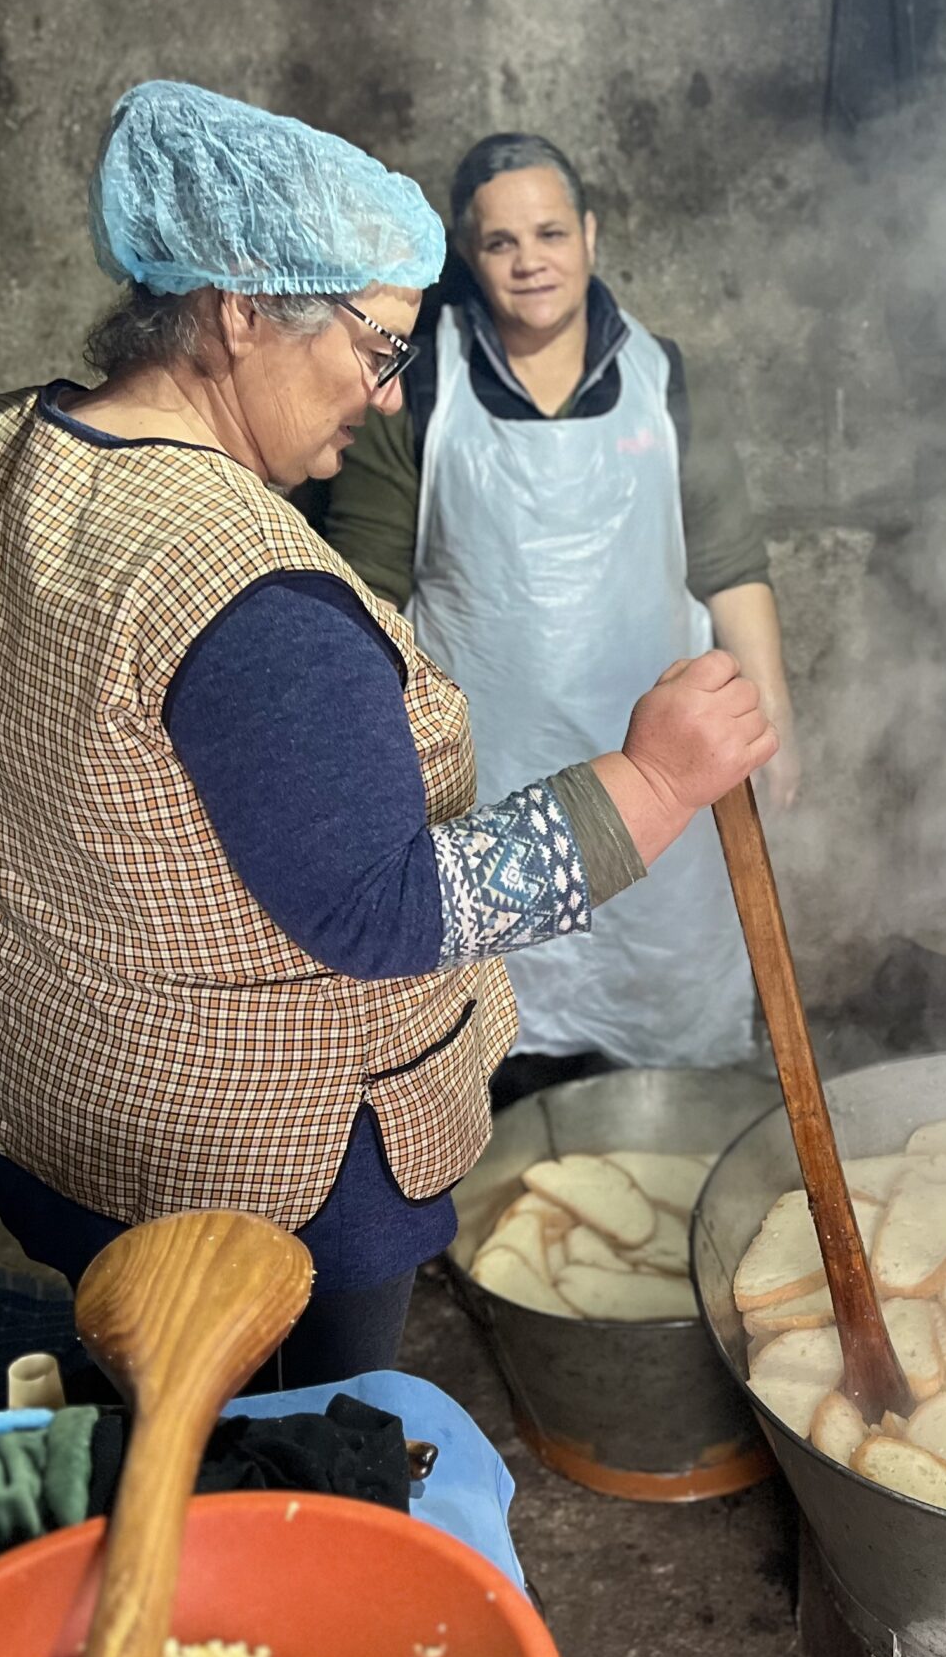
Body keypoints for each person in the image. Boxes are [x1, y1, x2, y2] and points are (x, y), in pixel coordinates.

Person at [0, 82, 776, 1384]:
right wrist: (650, 783)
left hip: (44, 1088)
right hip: (260, 1172)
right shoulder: (251, 587)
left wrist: (15, 766)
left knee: (135, 1393)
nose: (382, 394)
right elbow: (389, 911)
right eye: (374, 348)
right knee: (288, 1451)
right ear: (241, 311)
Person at [311, 133, 796, 1103]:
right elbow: (368, 594)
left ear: (590, 234)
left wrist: (773, 726)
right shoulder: (421, 388)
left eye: (547, 232)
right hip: (494, 771)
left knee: (661, 1021)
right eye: (499, 243)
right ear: (468, 255)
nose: (529, 259)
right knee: (496, 1040)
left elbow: (730, 565)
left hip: (664, 763)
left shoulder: (662, 377)